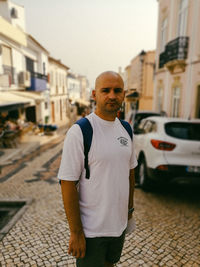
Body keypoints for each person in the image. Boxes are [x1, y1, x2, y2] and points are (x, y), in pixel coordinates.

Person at [58, 71, 138, 267]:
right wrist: (76, 232)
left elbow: (130, 173)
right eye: (106, 90)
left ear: (123, 94)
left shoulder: (126, 129)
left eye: (117, 90)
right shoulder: (80, 131)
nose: (112, 95)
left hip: (118, 227)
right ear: (94, 94)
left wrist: (128, 212)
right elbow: (67, 183)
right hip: (92, 231)